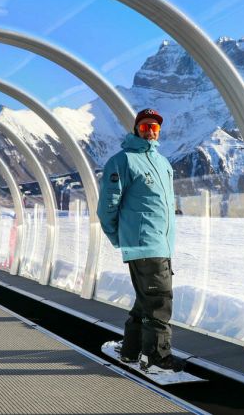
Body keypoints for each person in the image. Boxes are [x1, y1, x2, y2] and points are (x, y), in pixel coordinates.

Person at [98, 108, 182, 374]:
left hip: (161, 244)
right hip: (145, 243)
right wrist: (120, 237)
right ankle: (157, 359)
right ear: (136, 129)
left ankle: (131, 350)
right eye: (145, 127)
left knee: (145, 300)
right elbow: (107, 207)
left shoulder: (163, 162)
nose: (150, 132)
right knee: (159, 302)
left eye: (155, 128)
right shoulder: (122, 160)